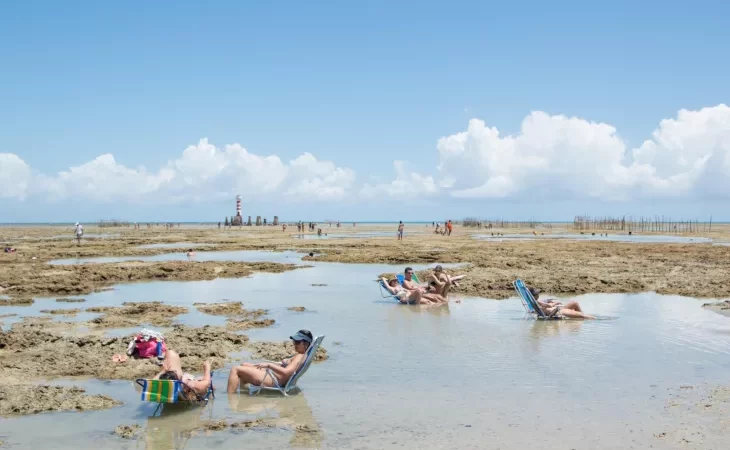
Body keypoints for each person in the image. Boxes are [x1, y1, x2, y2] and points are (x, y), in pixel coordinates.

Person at [227, 330, 314, 393]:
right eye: (294, 341)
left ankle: (231, 399)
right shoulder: (303, 355)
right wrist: (287, 362)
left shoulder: (299, 357)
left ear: (305, 344)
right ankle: (244, 391)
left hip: (273, 380)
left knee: (235, 369)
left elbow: (286, 372)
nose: (294, 344)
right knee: (244, 364)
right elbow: (291, 368)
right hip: (274, 376)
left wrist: (269, 365)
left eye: (298, 342)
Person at [529, 287, 595, 319]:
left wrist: (549, 302)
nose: (538, 295)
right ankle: (594, 319)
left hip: (557, 309)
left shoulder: (534, 302)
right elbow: (549, 306)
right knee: (582, 316)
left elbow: (544, 305)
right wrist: (555, 303)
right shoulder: (536, 302)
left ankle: (582, 317)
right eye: (537, 294)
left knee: (575, 303)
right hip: (558, 312)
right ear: (534, 296)